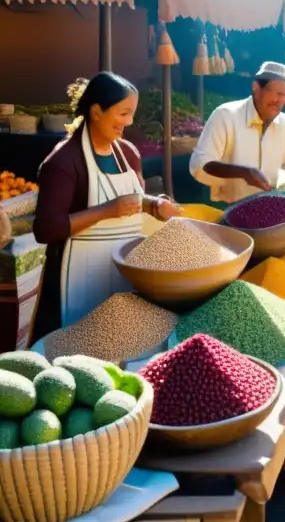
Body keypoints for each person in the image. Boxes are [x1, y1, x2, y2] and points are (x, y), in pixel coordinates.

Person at [33, 73, 182, 339]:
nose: (129, 122)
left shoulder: (127, 154)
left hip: (125, 277)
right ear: (96, 111)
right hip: (77, 283)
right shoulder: (63, 163)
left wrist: (155, 205)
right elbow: (46, 229)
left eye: (132, 113)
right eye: (123, 113)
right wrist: (106, 210)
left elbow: (135, 202)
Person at [190, 61, 285, 205]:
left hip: (265, 208)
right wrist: (243, 172)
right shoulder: (225, 115)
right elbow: (200, 164)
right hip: (224, 208)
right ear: (256, 88)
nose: (280, 101)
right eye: (277, 93)